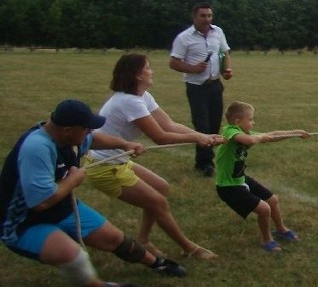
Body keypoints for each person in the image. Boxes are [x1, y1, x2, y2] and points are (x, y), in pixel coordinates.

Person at [0, 99, 188, 287]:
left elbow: (94, 140)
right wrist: (72, 180)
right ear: (67, 130)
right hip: (24, 222)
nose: (89, 133)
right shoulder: (37, 147)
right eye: (86, 129)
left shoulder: (66, 136)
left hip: (61, 207)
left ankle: (157, 264)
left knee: (115, 239)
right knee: (72, 255)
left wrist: (124, 144)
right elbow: (42, 201)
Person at [85, 53, 223, 260]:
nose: (152, 71)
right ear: (137, 75)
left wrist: (203, 136)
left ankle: (143, 240)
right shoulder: (130, 101)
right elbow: (160, 137)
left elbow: (169, 124)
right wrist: (197, 138)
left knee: (161, 188)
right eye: (148, 68)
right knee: (158, 203)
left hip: (117, 162)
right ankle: (189, 248)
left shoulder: (142, 97)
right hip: (104, 168)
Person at [215, 101, 310, 253]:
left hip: (240, 179)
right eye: (251, 119)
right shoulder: (229, 131)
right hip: (228, 186)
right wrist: (261, 138)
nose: (253, 122)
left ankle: (281, 229)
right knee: (264, 209)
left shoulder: (244, 132)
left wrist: (295, 133)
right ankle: (267, 240)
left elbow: (272, 135)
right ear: (238, 122)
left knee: (272, 200)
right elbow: (251, 140)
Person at [169, 1, 233, 177]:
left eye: (209, 15)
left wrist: (227, 70)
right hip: (197, 88)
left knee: (214, 124)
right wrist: (192, 69)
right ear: (194, 17)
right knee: (202, 125)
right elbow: (173, 62)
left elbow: (225, 53)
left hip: (215, 85)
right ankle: (205, 163)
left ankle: (207, 159)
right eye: (203, 16)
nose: (207, 19)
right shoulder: (184, 38)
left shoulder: (217, 32)